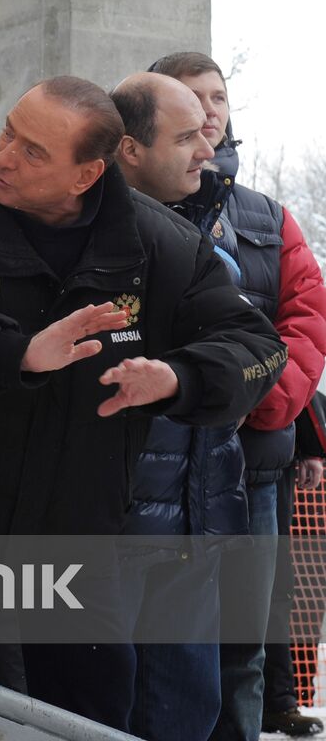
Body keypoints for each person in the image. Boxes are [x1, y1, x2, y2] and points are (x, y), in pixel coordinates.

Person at [0, 75, 285, 732]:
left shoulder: (158, 242)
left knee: (88, 717)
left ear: (90, 172)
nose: (4, 155)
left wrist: (178, 379)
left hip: (74, 538)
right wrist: (19, 353)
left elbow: (258, 347)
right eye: (9, 131)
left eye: (34, 152)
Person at [147, 52, 326, 741]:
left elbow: (305, 320)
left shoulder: (268, 217)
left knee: (244, 638)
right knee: (163, 638)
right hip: (157, 464)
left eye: (217, 96)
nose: (209, 110)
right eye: (191, 98)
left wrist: (254, 400)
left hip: (252, 454)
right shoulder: (128, 207)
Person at [111, 71, 242, 741]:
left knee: (189, 710)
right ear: (130, 148)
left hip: (197, 519)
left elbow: (262, 350)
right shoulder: (85, 240)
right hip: (109, 533)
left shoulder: (215, 234)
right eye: (187, 136)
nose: (208, 150)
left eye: (209, 131)